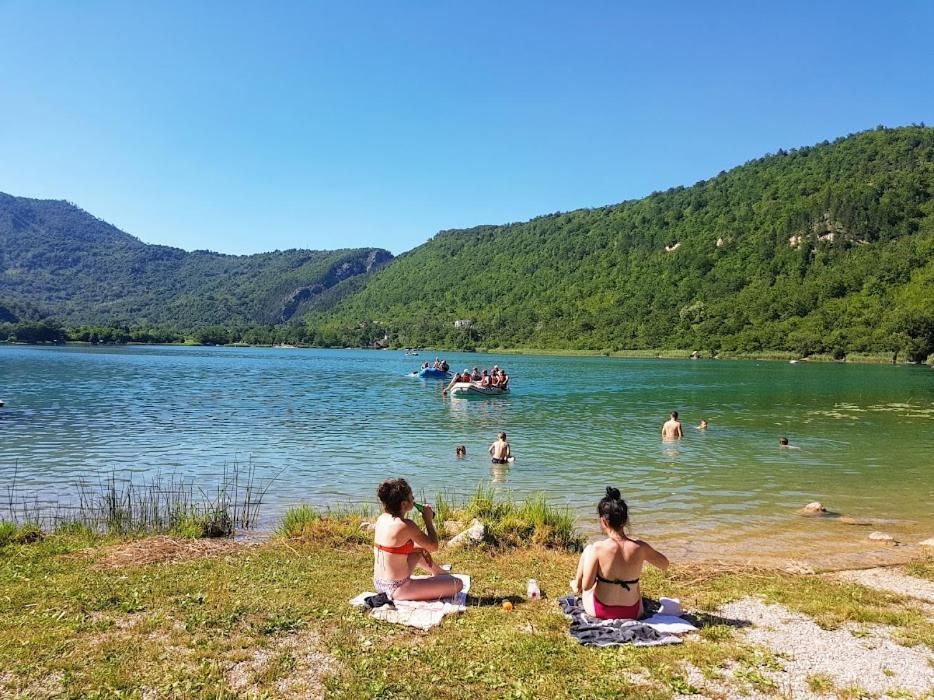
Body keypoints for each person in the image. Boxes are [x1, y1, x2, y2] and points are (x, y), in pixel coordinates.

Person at [571, 487, 669, 620]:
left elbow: (587, 586)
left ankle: (575, 585)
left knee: (588, 549)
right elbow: (664, 564)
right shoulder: (640, 547)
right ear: (625, 520)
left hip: (601, 611)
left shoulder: (598, 548)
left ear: (603, 521)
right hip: (633, 612)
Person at [373, 478, 463, 601]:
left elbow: (394, 549)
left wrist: (419, 548)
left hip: (379, 583)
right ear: (404, 504)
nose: (414, 500)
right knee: (457, 584)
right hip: (398, 588)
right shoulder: (406, 525)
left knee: (418, 549)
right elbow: (433, 546)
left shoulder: (382, 519)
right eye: (412, 497)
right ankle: (441, 578)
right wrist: (428, 520)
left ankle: (440, 573)